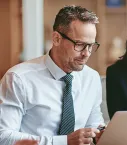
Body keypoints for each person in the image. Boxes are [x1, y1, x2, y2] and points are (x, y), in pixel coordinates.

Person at [0, 5, 105, 145]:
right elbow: (3, 136)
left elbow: (94, 125)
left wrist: (100, 134)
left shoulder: (91, 78)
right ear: (56, 39)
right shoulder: (18, 78)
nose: (86, 53)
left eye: (91, 46)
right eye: (79, 44)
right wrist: (64, 142)